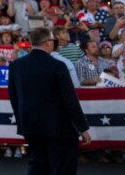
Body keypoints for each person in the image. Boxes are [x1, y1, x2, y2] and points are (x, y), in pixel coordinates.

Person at [8, 27, 91, 174]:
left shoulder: (16, 66)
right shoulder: (57, 65)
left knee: (37, 165)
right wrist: (82, 127)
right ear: (48, 43)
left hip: (30, 126)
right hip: (59, 129)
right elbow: (69, 99)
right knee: (62, 168)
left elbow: (14, 97)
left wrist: (22, 123)